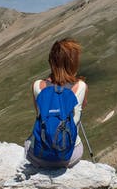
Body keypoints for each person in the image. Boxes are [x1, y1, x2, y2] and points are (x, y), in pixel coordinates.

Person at [25, 38, 88, 168]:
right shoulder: (81, 86)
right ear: (73, 62)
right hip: (68, 156)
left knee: (29, 141)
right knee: (77, 142)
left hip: (38, 156)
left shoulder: (37, 85)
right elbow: (81, 110)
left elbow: (39, 113)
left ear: (51, 61)